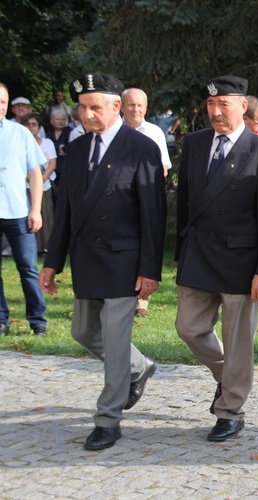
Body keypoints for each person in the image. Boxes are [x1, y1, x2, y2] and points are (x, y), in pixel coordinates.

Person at [39, 73, 166, 451]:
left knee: (114, 339)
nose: (87, 114)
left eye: (95, 107)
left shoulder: (140, 147)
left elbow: (153, 215)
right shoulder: (76, 150)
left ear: (116, 107)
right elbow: (65, 212)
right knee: (82, 332)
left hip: (124, 260)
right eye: (82, 107)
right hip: (86, 258)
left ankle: (108, 420)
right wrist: (53, 261)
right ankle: (139, 366)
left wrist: (149, 269)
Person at [174, 75, 258, 442]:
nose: (216, 112)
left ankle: (231, 410)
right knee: (188, 327)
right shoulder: (194, 143)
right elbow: (187, 204)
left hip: (242, 260)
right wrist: (182, 252)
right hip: (199, 256)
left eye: (224, 104)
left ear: (243, 106)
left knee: (238, 342)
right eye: (210, 105)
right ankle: (230, 377)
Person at [0, 83, 48, 337]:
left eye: (3, 102)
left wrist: (36, 209)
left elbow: (35, 173)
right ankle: (0, 320)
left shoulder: (20, 133)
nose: (0, 106)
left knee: (28, 268)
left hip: (18, 211)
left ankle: (38, 321)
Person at [121, 88, 172, 317]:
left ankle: (142, 302)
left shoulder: (154, 132)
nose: (136, 109)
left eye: (140, 105)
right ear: (122, 107)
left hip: (148, 197)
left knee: (147, 244)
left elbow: (163, 167)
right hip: (121, 200)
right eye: (132, 105)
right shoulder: (115, 132)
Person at [20, 114, 57, 254]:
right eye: (28, 124)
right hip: (26, 186)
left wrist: (40, 179)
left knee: (47, 216)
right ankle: (31, 248)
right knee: (28, 216)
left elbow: (52, 164)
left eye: (34, 124)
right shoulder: (19, 143)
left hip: (45, 185)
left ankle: (47, 247)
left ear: (39, 127)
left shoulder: (47, 143)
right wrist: (29, 178)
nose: (31, 127)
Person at [47, 109, 71, 186]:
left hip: (66, 170)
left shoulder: (70, 133)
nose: (60, 121)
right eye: (57, 119)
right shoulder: (48, 134)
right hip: (51, 170)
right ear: (51, 121)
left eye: (63, 119)